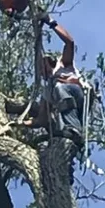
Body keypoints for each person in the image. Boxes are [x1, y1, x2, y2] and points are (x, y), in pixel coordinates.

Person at [23, 14, 85, 145]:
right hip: (67, 104)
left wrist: (51, 22)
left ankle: (74, 130)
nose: (41, 72)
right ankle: (68, 134)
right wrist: (20, 123)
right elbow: (41, 120)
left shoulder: (63, 65)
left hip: (77, 94)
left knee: (59, 87)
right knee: (55, 89)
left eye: (42, 67)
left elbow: (69, 42)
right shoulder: (48, 91)